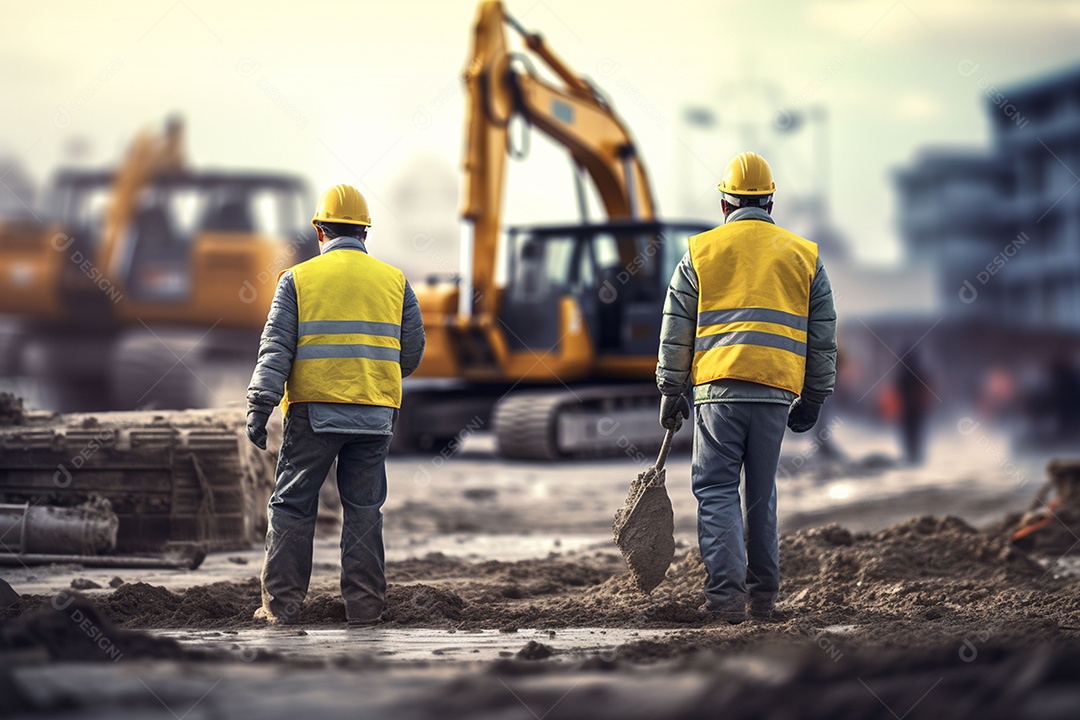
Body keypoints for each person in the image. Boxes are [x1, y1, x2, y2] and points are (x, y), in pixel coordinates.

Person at [656, 152, 837, 623]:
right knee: (761, 494)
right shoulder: (806, 256)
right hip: (776, 393)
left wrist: (670, 390)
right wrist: (814, 397)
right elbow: (823, 337)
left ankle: (726, 601)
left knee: (716, 490)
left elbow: (676, 329)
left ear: (723, 204)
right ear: (771, 202)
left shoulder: (699, 252)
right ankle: (763, 600)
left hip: (717, 392)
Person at [246, 183, 425, 625]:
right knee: (364, 511)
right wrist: (372, 376)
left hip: (313, 415)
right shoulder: (395, 281)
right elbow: (413, 352)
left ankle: (281, 609)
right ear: (364, 233)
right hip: (376, 415)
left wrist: (260, 406)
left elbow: (276, 350)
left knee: (291, 506)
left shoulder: (298, 280)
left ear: (320, 232)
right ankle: (364, 610)